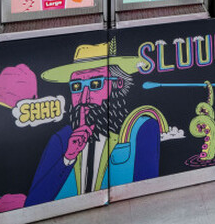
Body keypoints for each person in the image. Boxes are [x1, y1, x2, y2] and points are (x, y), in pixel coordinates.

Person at [27, 43, 163, 205]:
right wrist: (68, 158)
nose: (84, 98)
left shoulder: (140, 129)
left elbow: (147, 194)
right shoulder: (62, 139)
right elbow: (33, 202)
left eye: (95, 84)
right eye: (76, 86)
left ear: (118, 83)